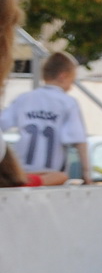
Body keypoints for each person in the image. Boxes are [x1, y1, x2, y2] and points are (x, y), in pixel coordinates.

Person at [0, 52, 89, 180]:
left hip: (22, 175)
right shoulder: (68, 103)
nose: (71, 87)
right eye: (72, 80)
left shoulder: (24, 99)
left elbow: (2, 123)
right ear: (63, 76)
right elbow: (79, 140)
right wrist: (86, 173)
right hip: (51, 176)